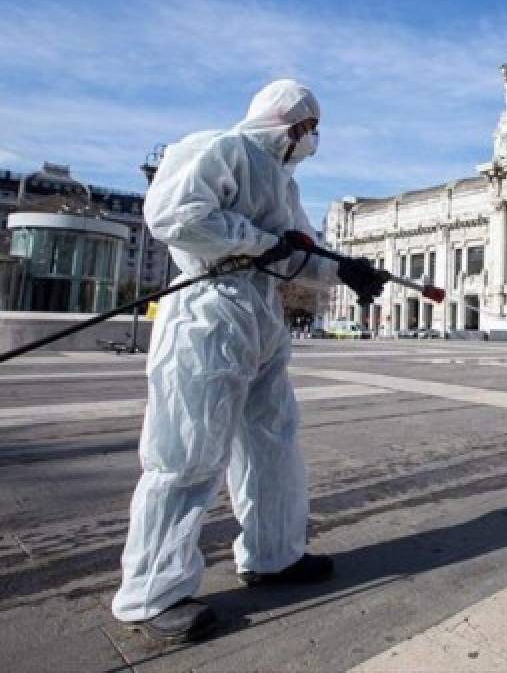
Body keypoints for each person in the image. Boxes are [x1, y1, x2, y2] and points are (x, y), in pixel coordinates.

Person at [111, 80, 389, 644]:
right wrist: (260, 242)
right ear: (281, 122)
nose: (310, 142)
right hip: (207, 315)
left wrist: (345, 270)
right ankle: (150, 593)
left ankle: (273, 555)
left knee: (272, 442)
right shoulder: (217, 149)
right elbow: (174, 216)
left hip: (259, 319)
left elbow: (301, 250)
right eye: (305, 130)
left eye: (313, 133)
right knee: (185, 453)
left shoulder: (284, 182)